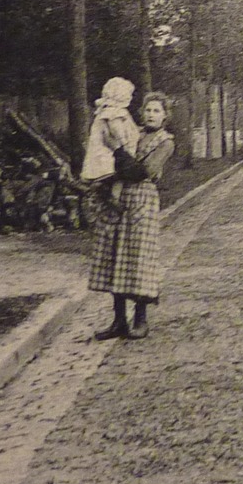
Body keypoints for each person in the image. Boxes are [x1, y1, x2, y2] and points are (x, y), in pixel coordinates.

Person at [88, 91, 175, 340]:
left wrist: (117, 150)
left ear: (165, 116)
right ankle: (118, 321)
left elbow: (143, 171)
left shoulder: (166, 142)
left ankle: (140, 319)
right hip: (119, 198)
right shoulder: (130, 132)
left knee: (138, 259)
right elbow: (107, 160)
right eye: (148, 110)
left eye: (157, 111)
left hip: (143, 200)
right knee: (116, 256)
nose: (151, 115)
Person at [79, 76, 140, 211]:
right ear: (121, 96)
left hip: (103, 149)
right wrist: (123, 141)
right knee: (119, 174)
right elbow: (115, 127)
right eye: (128, 95)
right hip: (109, 151)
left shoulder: (105, 109)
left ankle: (107, 193)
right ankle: (113, 196)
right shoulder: (114, 111)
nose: (130, 98)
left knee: (116, 175)